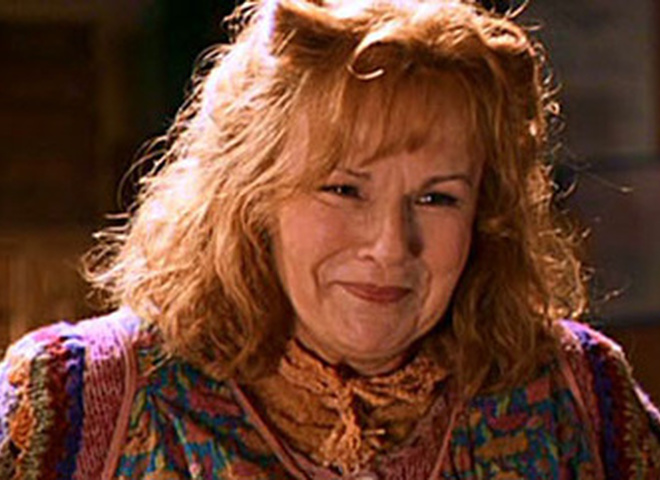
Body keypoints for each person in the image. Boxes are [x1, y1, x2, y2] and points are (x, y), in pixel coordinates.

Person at [1, 0, 659, 478]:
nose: (390, 245)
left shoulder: (578, 399)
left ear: (488, 216)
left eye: (437, 198)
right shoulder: (76, 405)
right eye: (344, 189)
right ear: (251, 195)